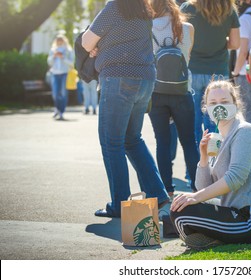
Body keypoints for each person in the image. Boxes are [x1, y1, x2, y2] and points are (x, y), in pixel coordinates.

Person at [81, 0, 169, 218]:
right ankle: (158, 195)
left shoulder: (114, 7)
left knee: (112, 143)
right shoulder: (144, 9)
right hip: (145, 80)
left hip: (118, 78)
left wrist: (95, 46)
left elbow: (86, 41)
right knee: (132, 139)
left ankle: (119, 204)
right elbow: (128, 39)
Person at [170, 80, 251, 250]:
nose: (218, 107)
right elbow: (204, 187)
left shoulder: (245, 131)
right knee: (179, 206)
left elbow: (235, 178)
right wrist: (204, 157)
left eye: (224, 102)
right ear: (206, 108)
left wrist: (195, 198)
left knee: (181, 213)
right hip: (232, 210)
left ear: (235, 104)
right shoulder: (218, 138)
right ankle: (214, 238)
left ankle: (213, 238)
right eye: (213, 103)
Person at [148, 0, 199, 196]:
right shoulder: (187, 28)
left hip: (157, 92)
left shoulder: (148, 27)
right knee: (188, 141)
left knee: (162, 141)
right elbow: (187, 57)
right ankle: (196, 187)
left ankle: (166, 191)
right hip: (181, 91)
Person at [180, 0, 240, 146]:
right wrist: (219, 41)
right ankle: (214, 162)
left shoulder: (188, 8)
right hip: (218, 73)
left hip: (193, 71)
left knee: (193, 124)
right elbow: (235, 43)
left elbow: (181, 39)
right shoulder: (229, 9)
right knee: (216, 123)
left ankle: (196, 165)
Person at [230, 0, 251, 125]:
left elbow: (243, 51)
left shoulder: (244, 19)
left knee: (248, 112)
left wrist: (235, 72)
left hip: (243, 73)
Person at [47, 34, 74, 120]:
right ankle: (56, 109)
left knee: (63, 93)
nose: (59, 42)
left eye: (61, 40)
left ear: (64, 41)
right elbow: (49, 62)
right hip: (54, 74)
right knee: (55, 94)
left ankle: (61, 112)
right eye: (58, 40)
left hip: (64, 74)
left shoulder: (68, 50)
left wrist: (63, 58)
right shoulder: (52, 50)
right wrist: (54, 56)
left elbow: (71, 63)